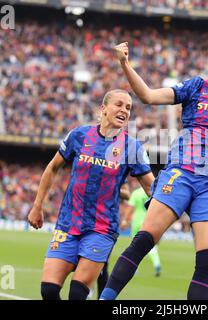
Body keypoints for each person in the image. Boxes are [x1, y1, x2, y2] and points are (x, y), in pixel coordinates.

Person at [100, 17, 208, 301]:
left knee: (207, 263)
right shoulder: (196, 87)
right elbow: (148, 96)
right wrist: (125, 64)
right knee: (143, 241)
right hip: (180, 175)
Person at [28, 89, 154, 300]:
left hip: (101, 229)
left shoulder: (132, 147)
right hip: (68, 224)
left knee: (77, 294)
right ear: (103, 108)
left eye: (128, 107)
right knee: (48, 291)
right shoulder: (79, 135)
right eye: (119, 104)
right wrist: (37, 205)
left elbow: (151, 188)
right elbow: (52, 168)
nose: (124, 110)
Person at [121, 185, 161, 277]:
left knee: (135, 245)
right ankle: (157, 263)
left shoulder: (136, 193)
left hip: (137, 220)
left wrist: (125, 220)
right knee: (150, 245)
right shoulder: (152, 192)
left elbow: (130, 208)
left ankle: (134, 269)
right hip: (149, 219)